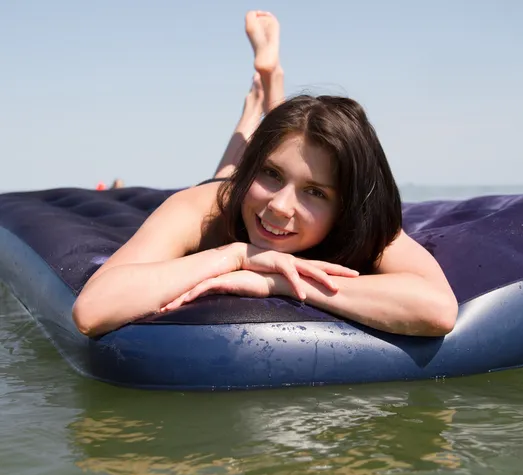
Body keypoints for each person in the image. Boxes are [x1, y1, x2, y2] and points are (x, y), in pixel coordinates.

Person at [72, 11, 458, 338]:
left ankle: (269, 85)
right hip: (227, 195)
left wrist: (277, 282)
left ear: (346, 206)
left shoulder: (363, 219)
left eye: (316, 193)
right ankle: (254, 108)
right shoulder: (200, 209)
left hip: (248, 192)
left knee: (286, 148)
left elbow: (438, 310)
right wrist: (236, 255)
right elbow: (92, 311)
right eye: (271, 175)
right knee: (228, 172)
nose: (279, 206)